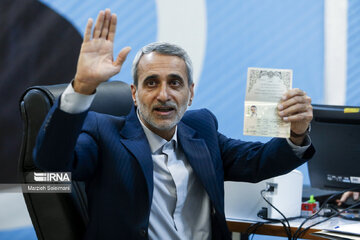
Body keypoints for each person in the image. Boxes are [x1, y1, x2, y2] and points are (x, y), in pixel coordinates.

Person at [34, 9, 315, 240]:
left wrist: (297, 133)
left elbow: (258, 162)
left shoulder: (201, 128)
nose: (164, 95)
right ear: (134, 94)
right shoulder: (103, 131)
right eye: (151, 83)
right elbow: (52, 162)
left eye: (175, 83)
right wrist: (82, 87)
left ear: (190, 94)